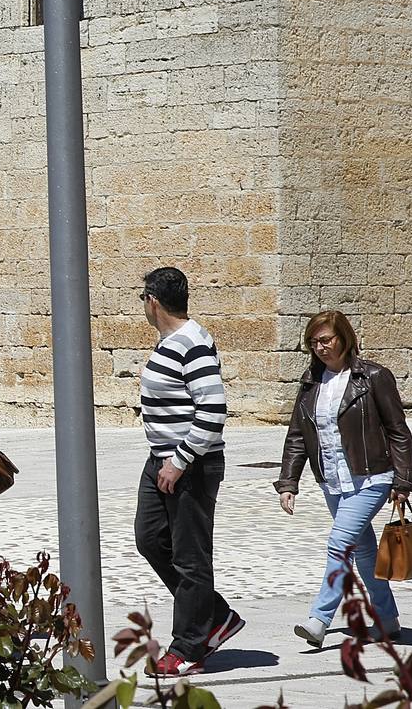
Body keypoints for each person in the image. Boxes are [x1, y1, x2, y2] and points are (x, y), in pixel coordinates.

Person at [277, 309, 412, 648]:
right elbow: (297, 435)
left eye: (326, 340)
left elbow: (398, 431)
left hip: (373, 477)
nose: (320, 347)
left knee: (339, 544)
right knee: (363, 552)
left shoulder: (374, 377)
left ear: (344, 338)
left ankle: (318, 620)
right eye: (314, 342)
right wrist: (288, 482)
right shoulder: (311, 382)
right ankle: (387, 619)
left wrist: (402, 481)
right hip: (333, 481)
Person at [135, 266, 244, 676]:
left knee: (190, 558)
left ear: (153, 301)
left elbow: (213, 410)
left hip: (190, 466)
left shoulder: (192, 342)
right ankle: (215, 615)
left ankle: (188, 647)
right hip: (160, 460)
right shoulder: (168, 343)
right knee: (149, 539)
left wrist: (179, 461)